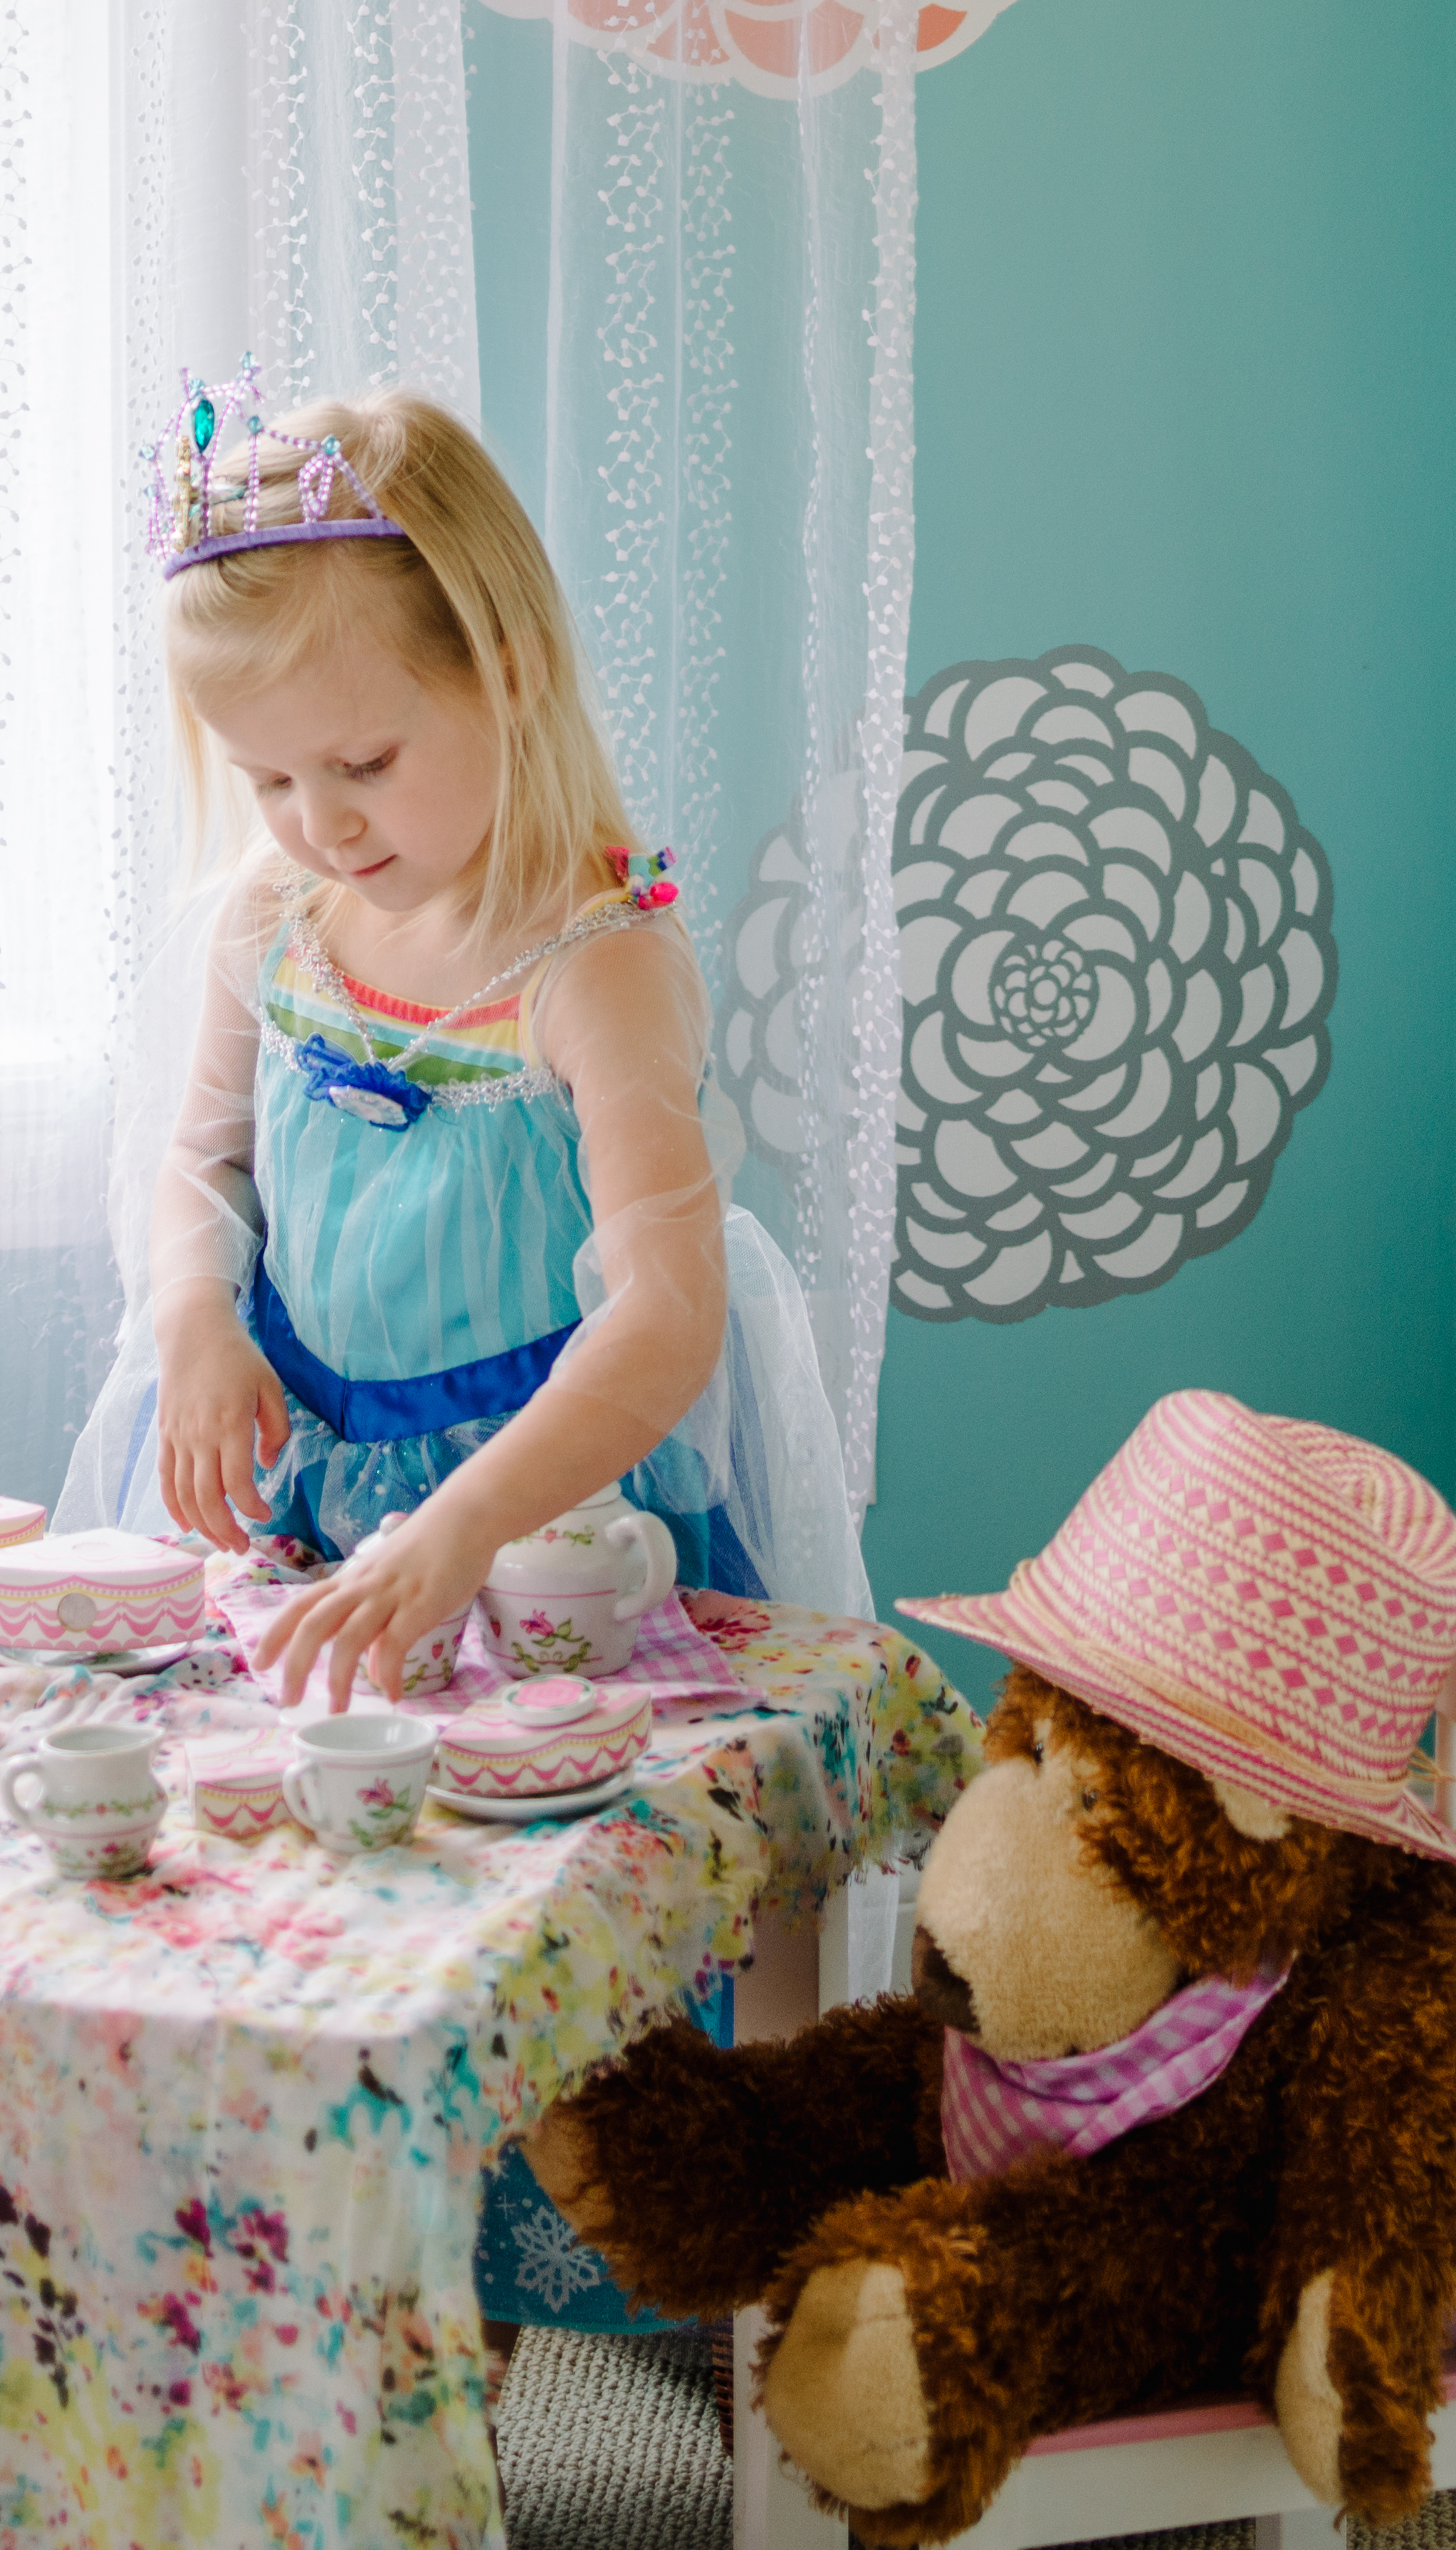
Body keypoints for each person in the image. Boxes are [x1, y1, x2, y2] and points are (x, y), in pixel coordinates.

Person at [71, 377, 865, 1710]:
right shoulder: (274, 923)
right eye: (269, 780)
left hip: (547, 1526)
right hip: (305, 1487)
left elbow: (668, 1314)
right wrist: (195, 1318)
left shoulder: (594, 965)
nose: (318, 822)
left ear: (509, 670)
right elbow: (204, 1163)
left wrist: (469, 1524)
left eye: (363, 763)